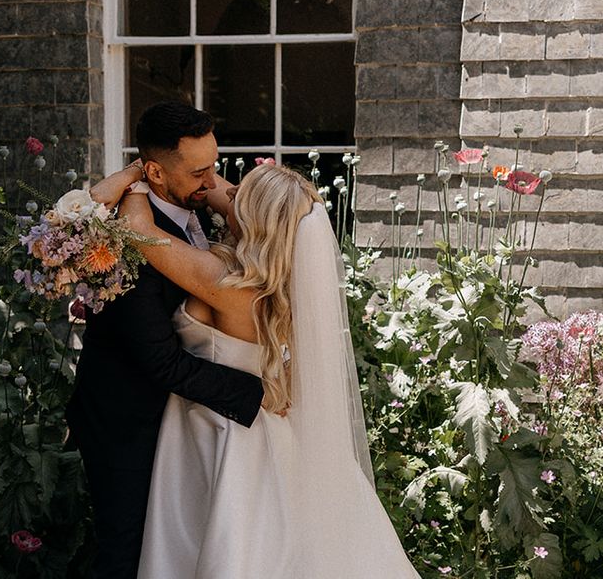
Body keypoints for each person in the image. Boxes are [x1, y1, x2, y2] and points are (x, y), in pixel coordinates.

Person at [92, 157, 420, 579]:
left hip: (221, 429)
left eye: (237, 195)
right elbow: (238, 199)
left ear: (252, 216)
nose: (225, 193)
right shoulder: (278, 283)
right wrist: (190, 173)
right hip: (257, 425)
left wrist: (139, 177)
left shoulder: (226, 281)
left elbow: (139, 231)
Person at [65, 103, 265, 579]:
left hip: (181, 419)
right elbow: (162, 362)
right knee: (127, 552)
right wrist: (256, 393)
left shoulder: (200, 207)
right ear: (154, 170)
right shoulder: (125, 242)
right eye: (198, 171)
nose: (211, 180)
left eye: (214, 165)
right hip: (127, 420)